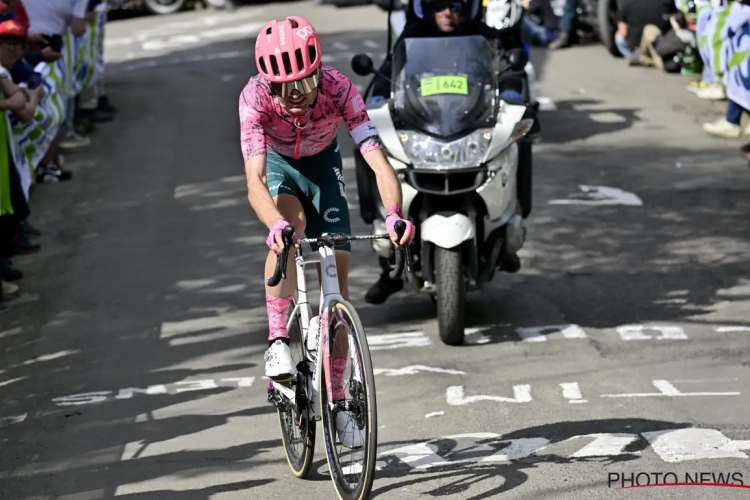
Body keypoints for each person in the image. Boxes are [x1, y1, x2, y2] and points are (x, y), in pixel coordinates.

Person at [239, 16, 415, 446]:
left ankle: (337, 400)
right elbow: (254, 182)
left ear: (318, 71)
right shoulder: (255, 98)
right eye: (285, 87)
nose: (296, 96)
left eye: (304, 83)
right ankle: (279, 340)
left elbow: (378, 161)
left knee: (337, 268)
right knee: (293, 226)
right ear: (269, 84)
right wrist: (274, 224)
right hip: (278, 167)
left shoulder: (339, 88)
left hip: (322, 164)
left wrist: (393, 213)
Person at [364, 0, 530, 305]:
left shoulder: (483, 35)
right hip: (423, 126)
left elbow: (506, 69)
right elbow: (386, 77)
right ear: (426, 8)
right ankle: (388, 266)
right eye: (438, 5)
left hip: (471, 125)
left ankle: (510, 226)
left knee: (522, 135)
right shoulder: (413, 35)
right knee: (367, 144)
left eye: (455, 4)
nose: (447, 12)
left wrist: (511, 91)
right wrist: (375, 99)